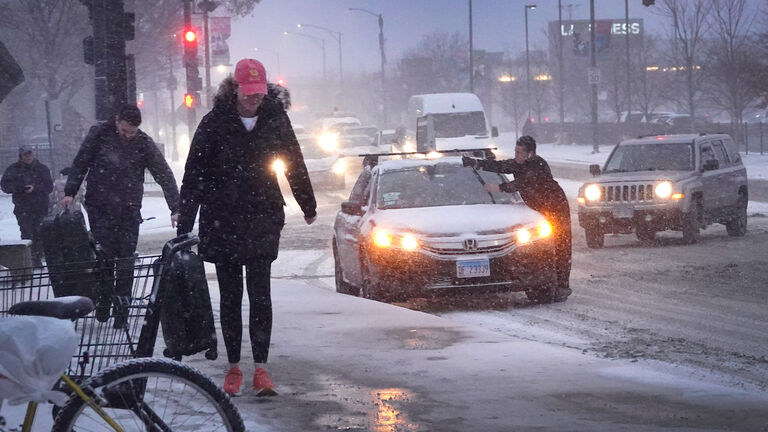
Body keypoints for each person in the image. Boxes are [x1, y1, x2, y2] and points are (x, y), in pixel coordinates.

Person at [176, 58, 317, 397]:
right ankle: (234, 368)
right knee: (229, 296)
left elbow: (294, 161)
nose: (254, 99)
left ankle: (262, 369)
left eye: (258, 93)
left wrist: (307, 204)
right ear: (235, 88)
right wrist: (185, 221)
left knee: (260, 295)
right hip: (221, 217)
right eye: (248, 92)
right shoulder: (214, 123)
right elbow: (194, 174)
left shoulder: (275, 119)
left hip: (261, 215)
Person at [61, 104, 180, 328]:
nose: (128, 135)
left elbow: (163, 173)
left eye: (132, 132)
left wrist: (175, 206)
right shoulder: (99, 135)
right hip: (100, 207)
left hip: (129, 209)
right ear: (117, 121)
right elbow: (81, 162)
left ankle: (121, 312)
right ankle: (104, 300)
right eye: (124, 131)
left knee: (125, 261)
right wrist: (70, 191)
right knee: (104, 257)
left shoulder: (143, 143)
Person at [463, 135, 572, 302]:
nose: (517, 155)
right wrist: (477, 163)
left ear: (530, 154)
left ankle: (562, 285)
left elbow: (522, 183)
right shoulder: (518, 163)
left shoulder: (538, 164)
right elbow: (501, 166)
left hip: (555, 206)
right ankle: (548, 281)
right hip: (538, 207)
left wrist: (497, 187)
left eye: (520, 152)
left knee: (560, 244)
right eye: (515, 151)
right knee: (545, 246)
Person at [1, 146, 53, 266]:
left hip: (40, 207)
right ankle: (32, 258)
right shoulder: (13, 169)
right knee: (26, 232)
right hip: (22, 207)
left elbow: (49, 187)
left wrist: (35, 188)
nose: (28, 156)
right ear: (21, 156)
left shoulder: (42, 169)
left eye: (30, 154)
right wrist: (20, 188)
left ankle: (39, 255)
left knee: (39, 232)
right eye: (25, 154)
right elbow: (5, 186)